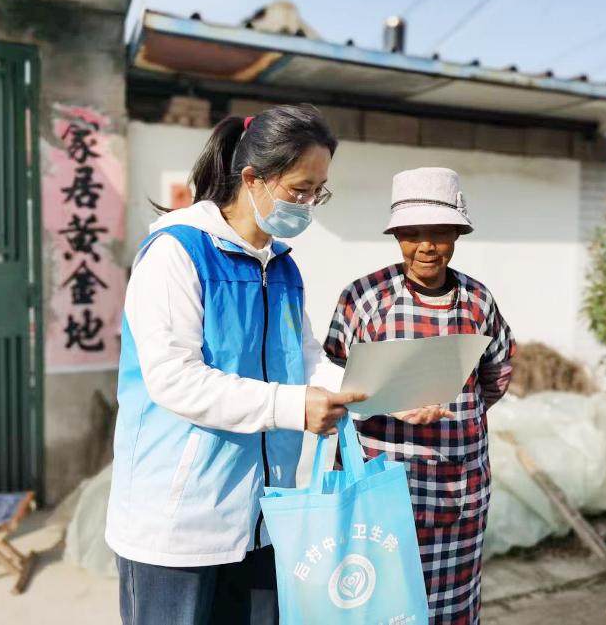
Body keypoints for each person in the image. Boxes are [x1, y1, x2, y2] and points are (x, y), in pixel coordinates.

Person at [106, 104, 365, 625]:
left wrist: (376, 390)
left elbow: (305, 357)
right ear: (252, 178)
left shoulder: (283, 266)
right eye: (300, 190)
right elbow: (175, 380)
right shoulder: (176, 254)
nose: (310, 204)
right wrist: (292, 407)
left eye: (319, 191)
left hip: (264, 519)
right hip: (177, 525)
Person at [323, 167, 515, 624]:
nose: (426, 246)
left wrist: (458, 414)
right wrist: (388, 399)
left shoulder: (477, 301)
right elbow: (332, 372)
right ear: (396, 236)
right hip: (380, 488)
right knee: (377, 604)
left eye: (439, 233)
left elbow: (497, 374)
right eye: (411, 233)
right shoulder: (365, 298)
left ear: (457, 234)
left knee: (450, 608)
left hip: (458, 492)